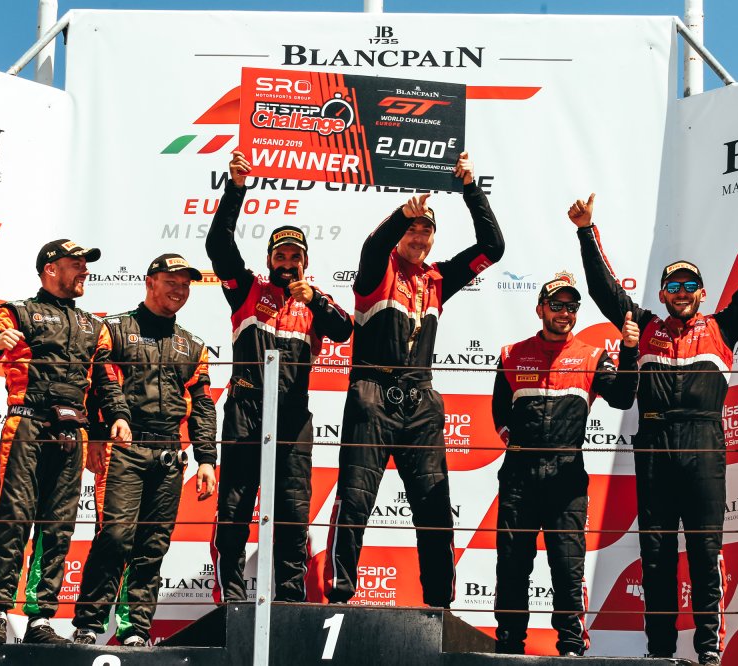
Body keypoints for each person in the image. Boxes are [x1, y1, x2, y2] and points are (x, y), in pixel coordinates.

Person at [569, 187, 738, 664]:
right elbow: (604, 291)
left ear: (702, 293)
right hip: (653, 446)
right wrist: (586, 231)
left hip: (704, 447)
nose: (682, 293)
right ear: (662, 295)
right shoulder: (645, 325)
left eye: (690, 285)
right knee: (655, 556)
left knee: (705, 553)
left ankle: (709, 651)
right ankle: (660, 653)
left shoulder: (722, 328)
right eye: (673, 286)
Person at [325, 152, 505, 607]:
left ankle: (440, 606)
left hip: (421, 401)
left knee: (434, 508)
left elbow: (493, 248)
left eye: (427, 231)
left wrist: (470, 189)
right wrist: (401, 214)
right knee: (356, 498)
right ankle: (340, 596)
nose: (419, 237)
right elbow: (372, 245)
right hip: (372, 394)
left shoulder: (438, 279)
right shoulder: (377, 270)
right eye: (413, 230)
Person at [0, 239, 132, 645]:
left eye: (86, 265)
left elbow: (105, 381)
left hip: (74, 433)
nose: (85, 271)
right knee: (14, 518)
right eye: (77, 264)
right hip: (27, 424)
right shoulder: (17, 311)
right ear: (50, 268)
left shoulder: (94, 325)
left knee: (58, 528)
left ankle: (40, 619)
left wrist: (119, 416)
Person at [206, 151, 354, 603]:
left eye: (295, 256)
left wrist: (317, 301)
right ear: (269, 258)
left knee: (292, 513)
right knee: (234, 508)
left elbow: (344, 330)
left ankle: (290, 601)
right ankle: (232, 600)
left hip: (292, 417)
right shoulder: (247, 290)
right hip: (246, 411)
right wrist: (235, 189)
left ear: (305, 262)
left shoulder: (314, 301)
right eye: (280, 255)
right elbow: (218, 246)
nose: (287, 263)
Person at [71, 253, 217, 647]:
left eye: (185, 284)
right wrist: (97, 435)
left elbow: (203, 404)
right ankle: (89, 624)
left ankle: (135, 629)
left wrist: (206, 459)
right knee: (116, 536)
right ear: (150, 282)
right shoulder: (115, 329)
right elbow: (98, 383)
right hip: (125, 446)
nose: (179, 290)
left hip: (170, 452)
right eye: (171, 281)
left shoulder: (193, 345)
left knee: (153, 545)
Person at [491, 272, 639, 656]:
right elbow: (499, 417)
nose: (564, 313)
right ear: (540, 308)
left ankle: (571, 647)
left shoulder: (592, 356)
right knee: (512, 564)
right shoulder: (510, 354)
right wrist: (522, 450)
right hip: (520, 476)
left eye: (571, 306)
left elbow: (623, 398)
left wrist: (628, 352)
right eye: (556, 305)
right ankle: (508, 645)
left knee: (567, 566)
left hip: (567, 476)